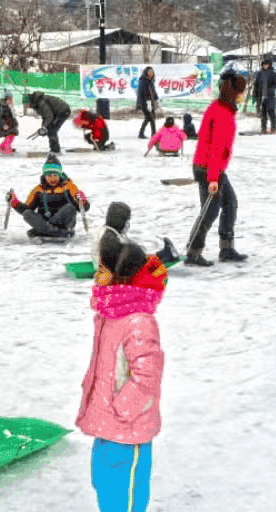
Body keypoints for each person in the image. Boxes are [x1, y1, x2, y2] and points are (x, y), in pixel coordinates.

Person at [76, 203, 167, 512]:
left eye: (103, 269)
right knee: (104, 484)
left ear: (119, 278)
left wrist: (123, 409)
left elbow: (146, 376)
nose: (96, 274)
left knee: (123, 496)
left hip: (127, 427)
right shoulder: (110, 310)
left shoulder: (138, 321)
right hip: (107, 421)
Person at [184, 70, 248, 266]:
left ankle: (226, 248)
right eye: (241, 91)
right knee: (210, 211)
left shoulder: (223, 108)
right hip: (208, 169)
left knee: (230, 203)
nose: (243, 95)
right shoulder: (222, 113)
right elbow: (216, 148)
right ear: (233, 92)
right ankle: (193, 252)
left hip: (214, 168)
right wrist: (213, 178)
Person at [6, 154, 89, 239]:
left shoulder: (69, 187)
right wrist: (15, 203)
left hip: (62, 223)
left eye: (55, 175)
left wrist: (83, 201)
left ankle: (42, 231)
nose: (52, 179)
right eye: (49, 176)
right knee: (27, 214)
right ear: (44, 176)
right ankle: (58, 232)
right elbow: (27, 209)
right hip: (44, 221)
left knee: (70, 207)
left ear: (59, 175)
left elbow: (82, 208)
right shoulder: (38, 190)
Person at [253, 56, 276, 134]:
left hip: (270, 96)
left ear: (269, 65)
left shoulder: (273, 73)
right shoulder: (260, 73)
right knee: (263, 113)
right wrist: (255, 93)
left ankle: (273, 128)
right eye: (264, 64)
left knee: (271, 112)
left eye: (266, 64)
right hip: (262, 96)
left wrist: (271, 90)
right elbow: (256, 84)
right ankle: (263, 128)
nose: (265, 66)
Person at [135, 66, 160, 139]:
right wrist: (147, 102)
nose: (151, 74)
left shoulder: (150, 80)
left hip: (150, 102)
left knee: (149, 118)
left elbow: (153, 91)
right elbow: (143, 93)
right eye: (149, 72)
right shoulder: (144, 80)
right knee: (150, 118)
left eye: (152, 72)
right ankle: (152, 134)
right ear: (146, 73)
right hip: (144, 103)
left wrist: (157, 99)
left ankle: (143, 133)